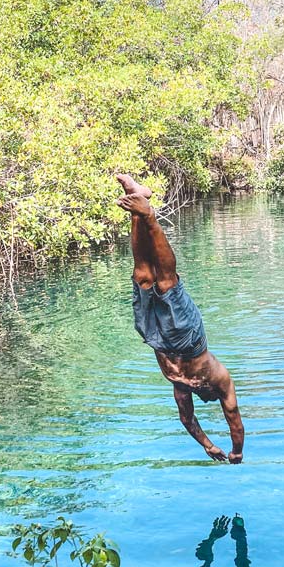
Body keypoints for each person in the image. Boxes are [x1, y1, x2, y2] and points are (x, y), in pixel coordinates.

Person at [116, 174, 244, 463]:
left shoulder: (181, 387)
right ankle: (148, 216)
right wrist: (237, 450)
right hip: (187, 337)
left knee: (143, 276)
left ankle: (139, 201)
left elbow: (186, 420)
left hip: (156, 338)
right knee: (165, 282)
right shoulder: (221, 378)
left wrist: (208, 445)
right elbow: (234, 417)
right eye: (203, 392)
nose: (198, 391)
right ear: (210, 390)